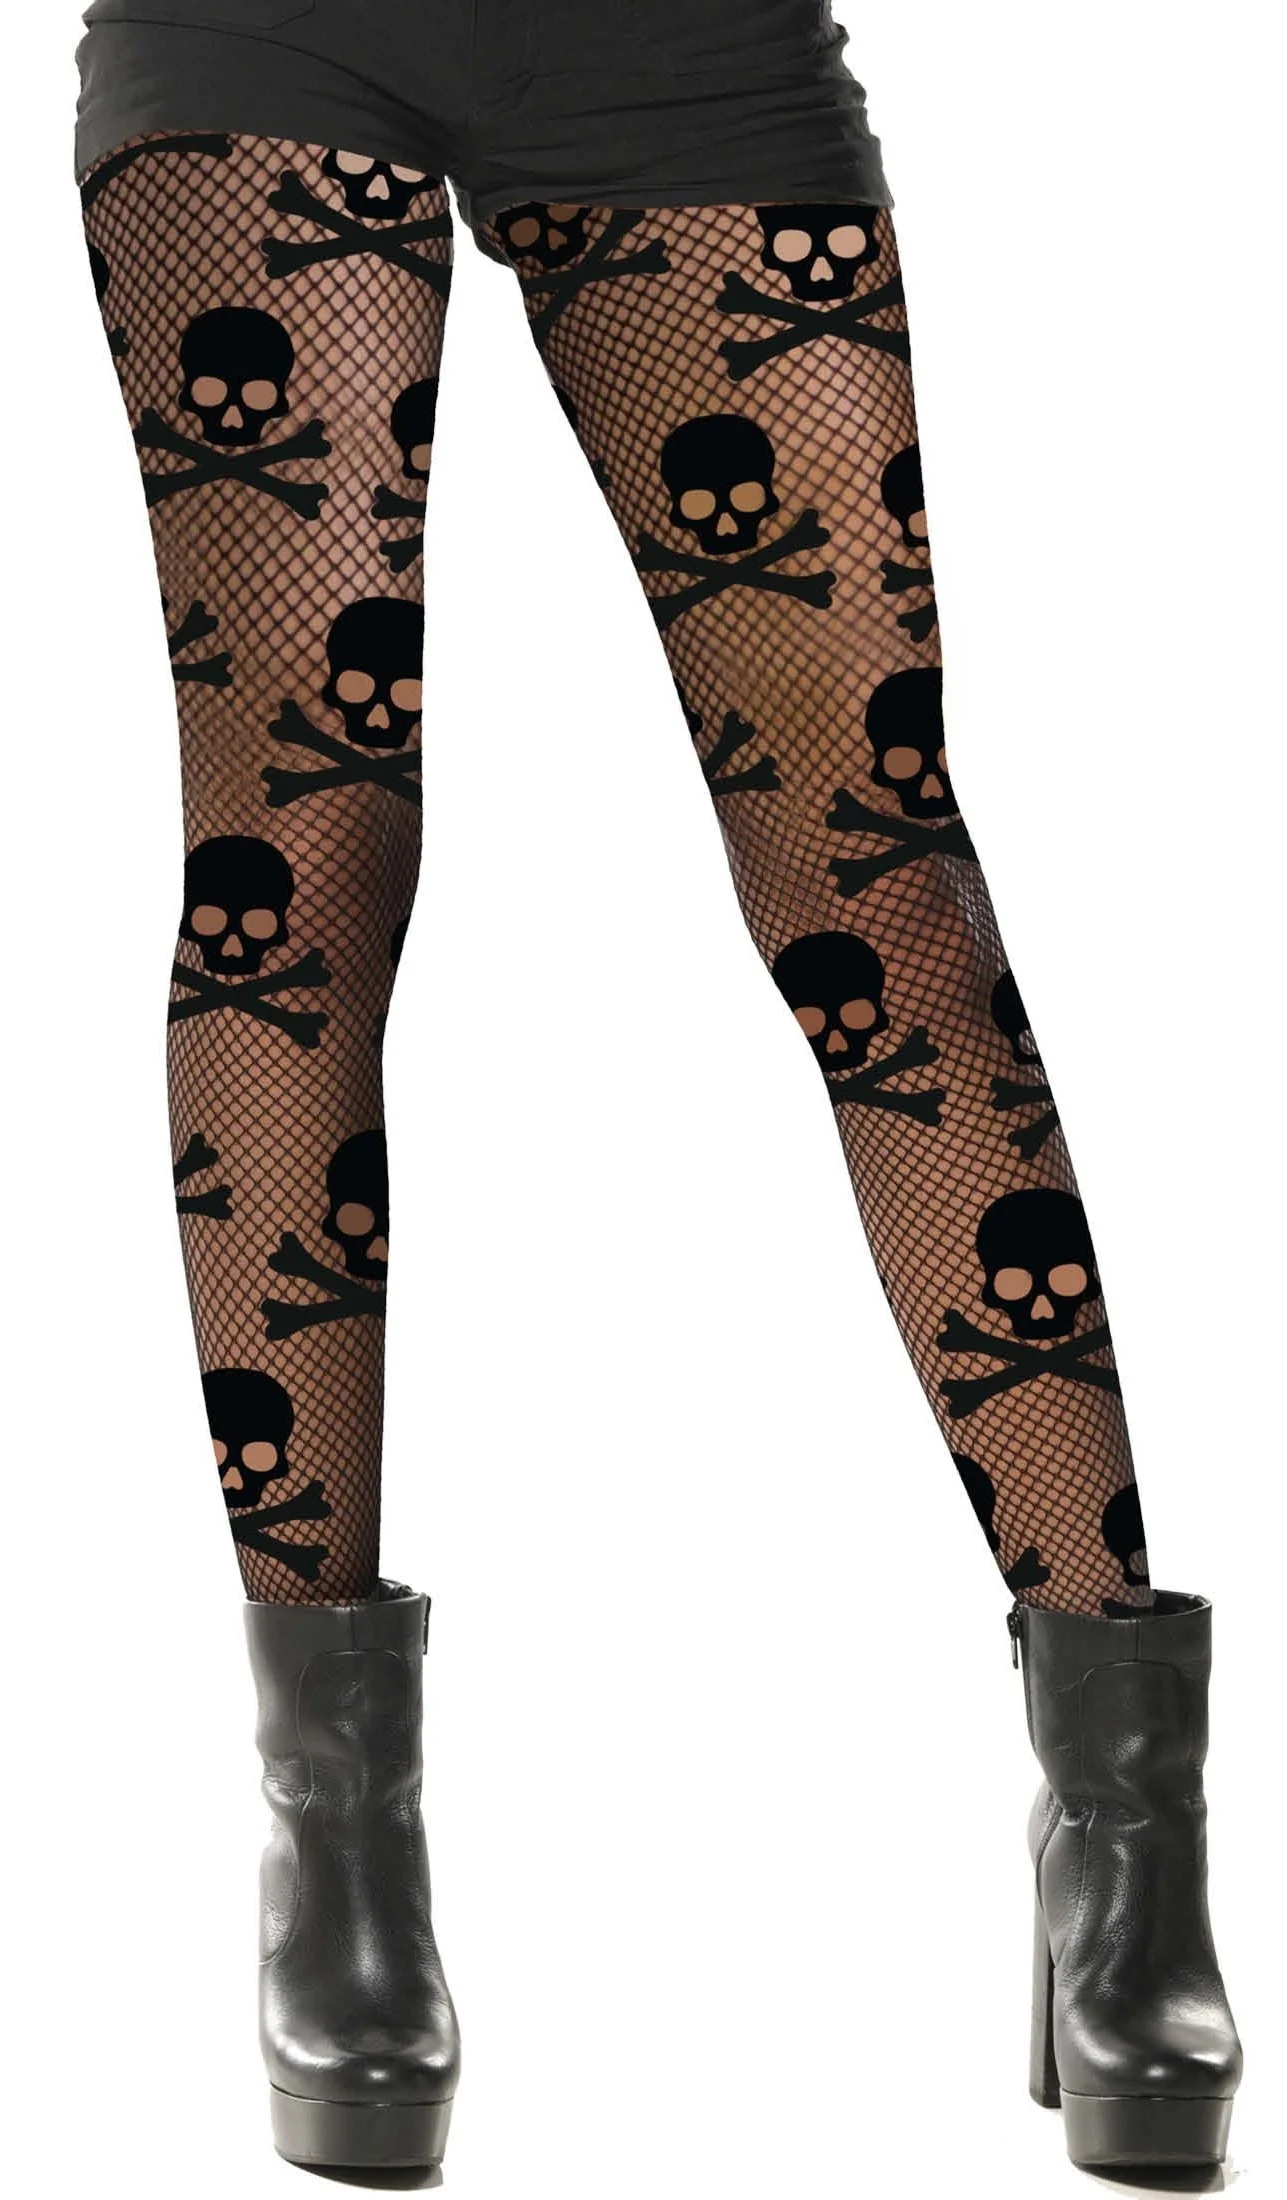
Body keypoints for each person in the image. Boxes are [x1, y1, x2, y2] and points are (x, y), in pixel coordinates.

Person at [74, 0, 1240, 2177]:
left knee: (875, 881)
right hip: (263, 35)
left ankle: (1126, 1837)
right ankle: (337, 1849)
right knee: (297, 865)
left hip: (685, 43)